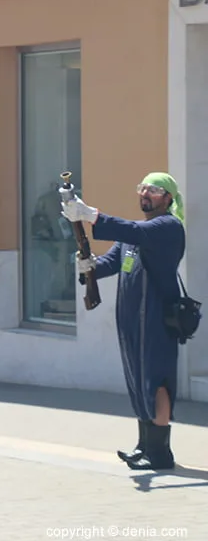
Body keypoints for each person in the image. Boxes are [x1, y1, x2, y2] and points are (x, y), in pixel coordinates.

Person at [62, 172, 186, 471]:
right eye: (142, 188)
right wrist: (88, 266)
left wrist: (90, 215)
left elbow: (136, 232)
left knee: (156, 380)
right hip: (131, 319)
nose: (146, 193)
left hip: (156, 317)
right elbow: (112, 262)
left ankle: (160, 453)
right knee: (137, 380)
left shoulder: (168, 227)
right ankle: (144, 446)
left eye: (154, 190)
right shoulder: (135, 234)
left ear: (168, 198)